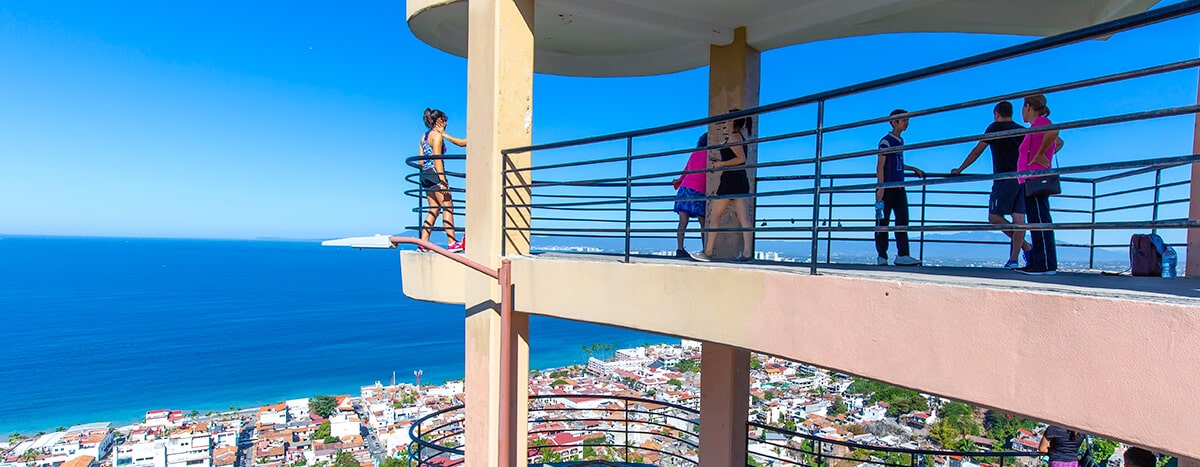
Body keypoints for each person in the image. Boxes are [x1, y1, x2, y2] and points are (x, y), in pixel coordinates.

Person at [951, 101, 1032, 269]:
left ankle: (1025, 247)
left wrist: (960, 168)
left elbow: (977, 150)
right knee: (1019, 220)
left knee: (994, 217)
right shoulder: (1022, 131)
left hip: (1004, 180)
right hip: (1022, 179)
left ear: (996, 114)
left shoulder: (994, 128)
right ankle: (1015, 258)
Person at [691, 112, 754, 262]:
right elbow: (736, 158)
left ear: (733, 121)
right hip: (738, 181)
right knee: (744, 218)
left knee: (715, 217)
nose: (725, 122)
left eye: (727, 120)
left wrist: (720, 164)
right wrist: (721, 160)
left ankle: (708, 252)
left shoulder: (734, 136)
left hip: (730, 182)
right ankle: (747, 254)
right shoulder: (739, 137)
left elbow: (741, 159)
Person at [875, 109, 925, 267]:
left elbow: (897, 162)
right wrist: (881, 187)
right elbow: (880, 165)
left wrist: (912, 169)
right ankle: (882, 256)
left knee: (902, 220)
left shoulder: (900, 141)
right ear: (894, 122)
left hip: (899, 186)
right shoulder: (886, 141)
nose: (906, 123)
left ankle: (903, 254)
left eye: (907, 120)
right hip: (887, 187)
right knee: (883, 222)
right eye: (903, 120)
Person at [1016, 95, 1059, 275]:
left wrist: (1041, 154)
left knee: (1039, 221)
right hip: (1029, 180)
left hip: (1035, 179)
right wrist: (1044, 153)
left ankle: (1044, 264)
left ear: (1027, 106)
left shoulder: (1041, 122)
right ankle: (1038, 261)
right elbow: (1059, 143)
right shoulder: (1035, 127)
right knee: (1036, 220)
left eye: (1023, 107)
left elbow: (1054, 132)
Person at [418, 108, 467, 253]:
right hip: (435, 174)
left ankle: (423, 242)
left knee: (434, 209)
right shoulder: (437, 137)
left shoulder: (424, 136)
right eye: (445, 121)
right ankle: (452, 242)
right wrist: (443, 181)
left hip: (425, 175)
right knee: (448, 207)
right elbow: (437, 159)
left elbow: (421, 161)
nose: (446, 124)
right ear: (440, 121)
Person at [672, 133, 708, 258]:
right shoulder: (711, 154)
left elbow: (686, 170)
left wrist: (678, 181)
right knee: (703, 222)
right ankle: (705, 250)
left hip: (684, 189)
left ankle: (680, 249)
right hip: (699, 190)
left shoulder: (694, 153)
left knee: (682, 222)